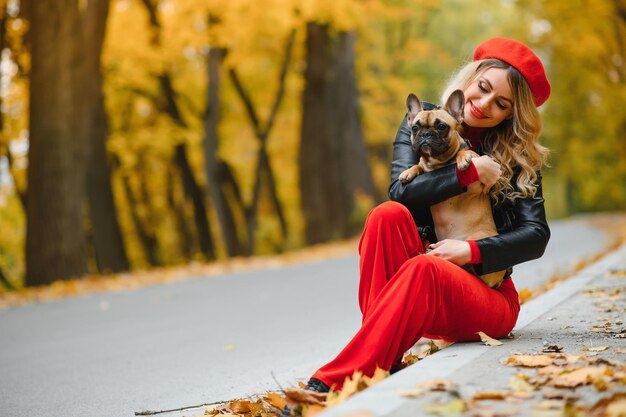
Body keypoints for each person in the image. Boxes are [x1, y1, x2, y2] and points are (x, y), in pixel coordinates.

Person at [291, 37, 551, 399]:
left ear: (511, 114)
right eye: (483, 88)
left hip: (486, 295)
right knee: (386, 215)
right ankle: (382, 354)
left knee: (423, 268)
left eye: (501, 103)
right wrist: (466, 174)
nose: (484, 103)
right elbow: (400, 191)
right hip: (424, 277)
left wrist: (471, 252)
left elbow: (536, 235)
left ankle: (331, 383)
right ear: (470, 78)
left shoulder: (519, 156)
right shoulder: (422, 120)